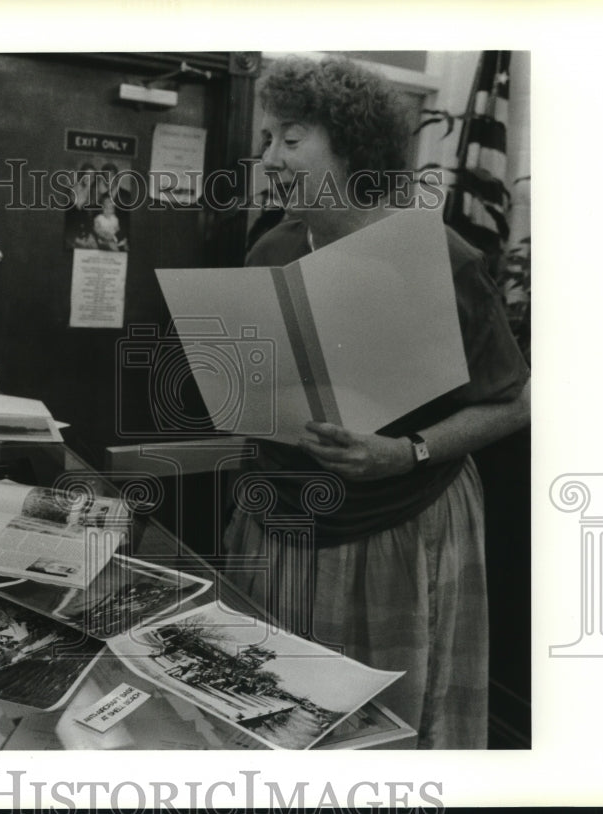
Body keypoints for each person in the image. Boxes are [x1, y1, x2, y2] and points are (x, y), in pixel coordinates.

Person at [221, 55, 531, 749]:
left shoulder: (439, 257)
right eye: (266, 139)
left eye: (290, 139)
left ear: (354, 148)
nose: (268, 157)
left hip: (398, 527)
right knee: (273, 716)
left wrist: (405, 450)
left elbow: (513, 404)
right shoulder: (268, 248)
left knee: (379, 731)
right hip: (279, 523)